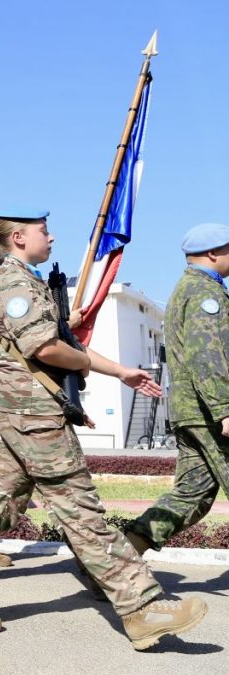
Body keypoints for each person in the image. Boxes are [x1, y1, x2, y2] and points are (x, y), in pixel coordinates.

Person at [0, 208, 208, 651]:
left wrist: (118, 371)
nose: (52, 237)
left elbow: (59, 343)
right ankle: (141, 608)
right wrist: (83, 363)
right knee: (81, 510)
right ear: (19, 237)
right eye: (44, 231)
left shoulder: (24, 281)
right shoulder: (16, 283)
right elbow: (44, 347)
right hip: (32, 417)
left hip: (19, 414)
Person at [126, 223, 229, 556]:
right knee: (191, 495)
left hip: (193, 410)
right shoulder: (204, 293)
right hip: (209, 412)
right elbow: (208, 356)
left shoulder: (190, 288)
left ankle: (119, 559)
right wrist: (224, 409)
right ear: (213, 253)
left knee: (191, 495)